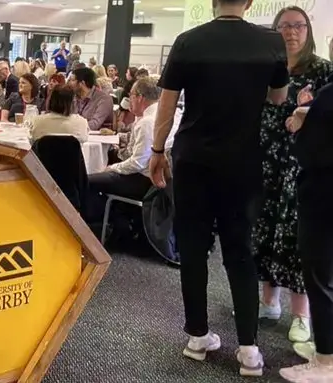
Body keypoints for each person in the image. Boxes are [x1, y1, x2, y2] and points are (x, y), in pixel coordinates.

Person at [148, 0, 289, 377]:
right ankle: (249, 351)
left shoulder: (188, 41)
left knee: (193, 249)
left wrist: (157, 152)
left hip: (193, 159)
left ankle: (197, 336)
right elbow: (278, 98)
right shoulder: (271, 42)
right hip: (242, 161)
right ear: (250, 3)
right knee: (240, 252)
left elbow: (166, 107)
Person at [252, 5, 333, 345]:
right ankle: (269, 301)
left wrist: (306, 114)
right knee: (264, 229)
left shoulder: (324, 70)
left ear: (308, 30)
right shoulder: (266, 67)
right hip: (265, 161)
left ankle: (302, 315)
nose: (291, 32)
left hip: (304, 165)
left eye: (298, 26)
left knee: (299, 239)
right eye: (284, 26)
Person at [278, 72, 333, 383]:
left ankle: (326, 360)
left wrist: (302, 120)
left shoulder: (327, 94)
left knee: (319, 274)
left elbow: (307, 150)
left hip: (323, 195)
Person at [89, 77, 177, 200]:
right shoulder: (168, 114)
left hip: (144, 180)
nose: (129, 100)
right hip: (163, 180)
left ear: (140, 98)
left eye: (131, 95)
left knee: (89, 180)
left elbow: (137, 163)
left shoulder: (147, 122)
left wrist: (111, 168)